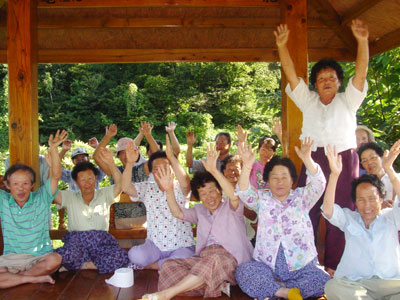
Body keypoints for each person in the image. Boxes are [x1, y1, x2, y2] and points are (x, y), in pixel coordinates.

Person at [275, 19, 369, 275]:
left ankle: (334, 266)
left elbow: (360, 74)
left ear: (339, 82)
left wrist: (362, 42)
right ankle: (308, 264)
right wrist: (282, 46)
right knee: (308, 209)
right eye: (321, 78)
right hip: (313, 159)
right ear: (315, 84)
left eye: (332, 77)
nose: (326, 81)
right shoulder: (309, 101)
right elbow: (291, 74)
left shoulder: (348, 100)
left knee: (341, 212)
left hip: (344, 158)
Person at [142, 142, 253, 300]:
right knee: (168, 266)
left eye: (212, 191)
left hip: (230, 259)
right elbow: (178, 212)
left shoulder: (232, 206)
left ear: (220, 191)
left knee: (213, 261)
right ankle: (216, 285)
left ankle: (167, 294)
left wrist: (214, 170)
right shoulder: (200, 211)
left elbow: (234, 196)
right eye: (203, 194)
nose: (209, 197)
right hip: (203, 259)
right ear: (199, 198)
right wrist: (168, 191)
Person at [235, 138, 330, 300]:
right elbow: (243, 191)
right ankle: (285, 293)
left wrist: (307, 159)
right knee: (243, 271)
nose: (280, 182)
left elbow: (319, 183)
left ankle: (275, 290)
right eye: (274, 178)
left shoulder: (302, 197)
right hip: (268, 267)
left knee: (324, 280)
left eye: (284, 177)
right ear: (267, 181)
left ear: (292, 179)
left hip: (301, 267)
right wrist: (247, 166)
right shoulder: (261, 199)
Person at [322, 140, 400, 300]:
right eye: (361, 200)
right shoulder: (350, 218)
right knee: (332, 287)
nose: (367, 205)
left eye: (372, 199)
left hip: (391, 283)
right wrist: (334, 175)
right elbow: (328, 210)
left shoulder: (391, 216)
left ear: (381, 200)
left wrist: (389, 171)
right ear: (355, 202)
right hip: (358, 285)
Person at [0, 130, 66, 288]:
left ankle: (16, 279)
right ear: (7, 186)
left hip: (39, 258)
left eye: (25, 183)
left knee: (55, 259)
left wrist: (55, 149)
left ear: (32, 185)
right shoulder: (3, 200)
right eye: (15, 184)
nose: (21, 188)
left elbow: (55, 176)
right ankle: (32, 278)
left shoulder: (42, 198)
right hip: (11, 258)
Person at [122, 140, 194, 271]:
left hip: (181, 246)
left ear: (173, 169)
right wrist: (130, 163)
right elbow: (126, 187)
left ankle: (154, 266)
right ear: (151, 173)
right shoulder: (148, 188)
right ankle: (165, 265)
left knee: (185, 259)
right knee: (135, 255)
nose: (161, 172)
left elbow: (186, 181)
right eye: (156, 170)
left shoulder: (180, 187)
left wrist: (171, 157)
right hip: (155, 246)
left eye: (166, 167)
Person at [54, 147, 129, 273]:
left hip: (101, 242)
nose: (87, 183)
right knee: (61, 256)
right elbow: (52, 191)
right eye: (82, 180)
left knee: (120, 256)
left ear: (96, 179)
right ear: (76, 182)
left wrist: (110, 163)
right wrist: (54, 165)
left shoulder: (104, 193)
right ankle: (91, 264)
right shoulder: (70, 196)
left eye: (90, 179)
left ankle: (85, 265)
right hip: (77, 243)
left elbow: (121, 185)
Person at [220, 154, 258, 243]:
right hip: (224, 238)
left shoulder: (248, 191)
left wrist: (238, 205)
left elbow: (254, 217)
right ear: (224, 171)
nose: (232, 173)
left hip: (246, 239)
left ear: (242, 171)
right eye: (229, 169)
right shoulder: (218, 191)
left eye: (236, 169)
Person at [358, 142, 400, 207]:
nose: (369, 162)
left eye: (372, 158)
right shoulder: (363, 186)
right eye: (364, 161)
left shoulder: (396, 177)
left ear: (382, 157)